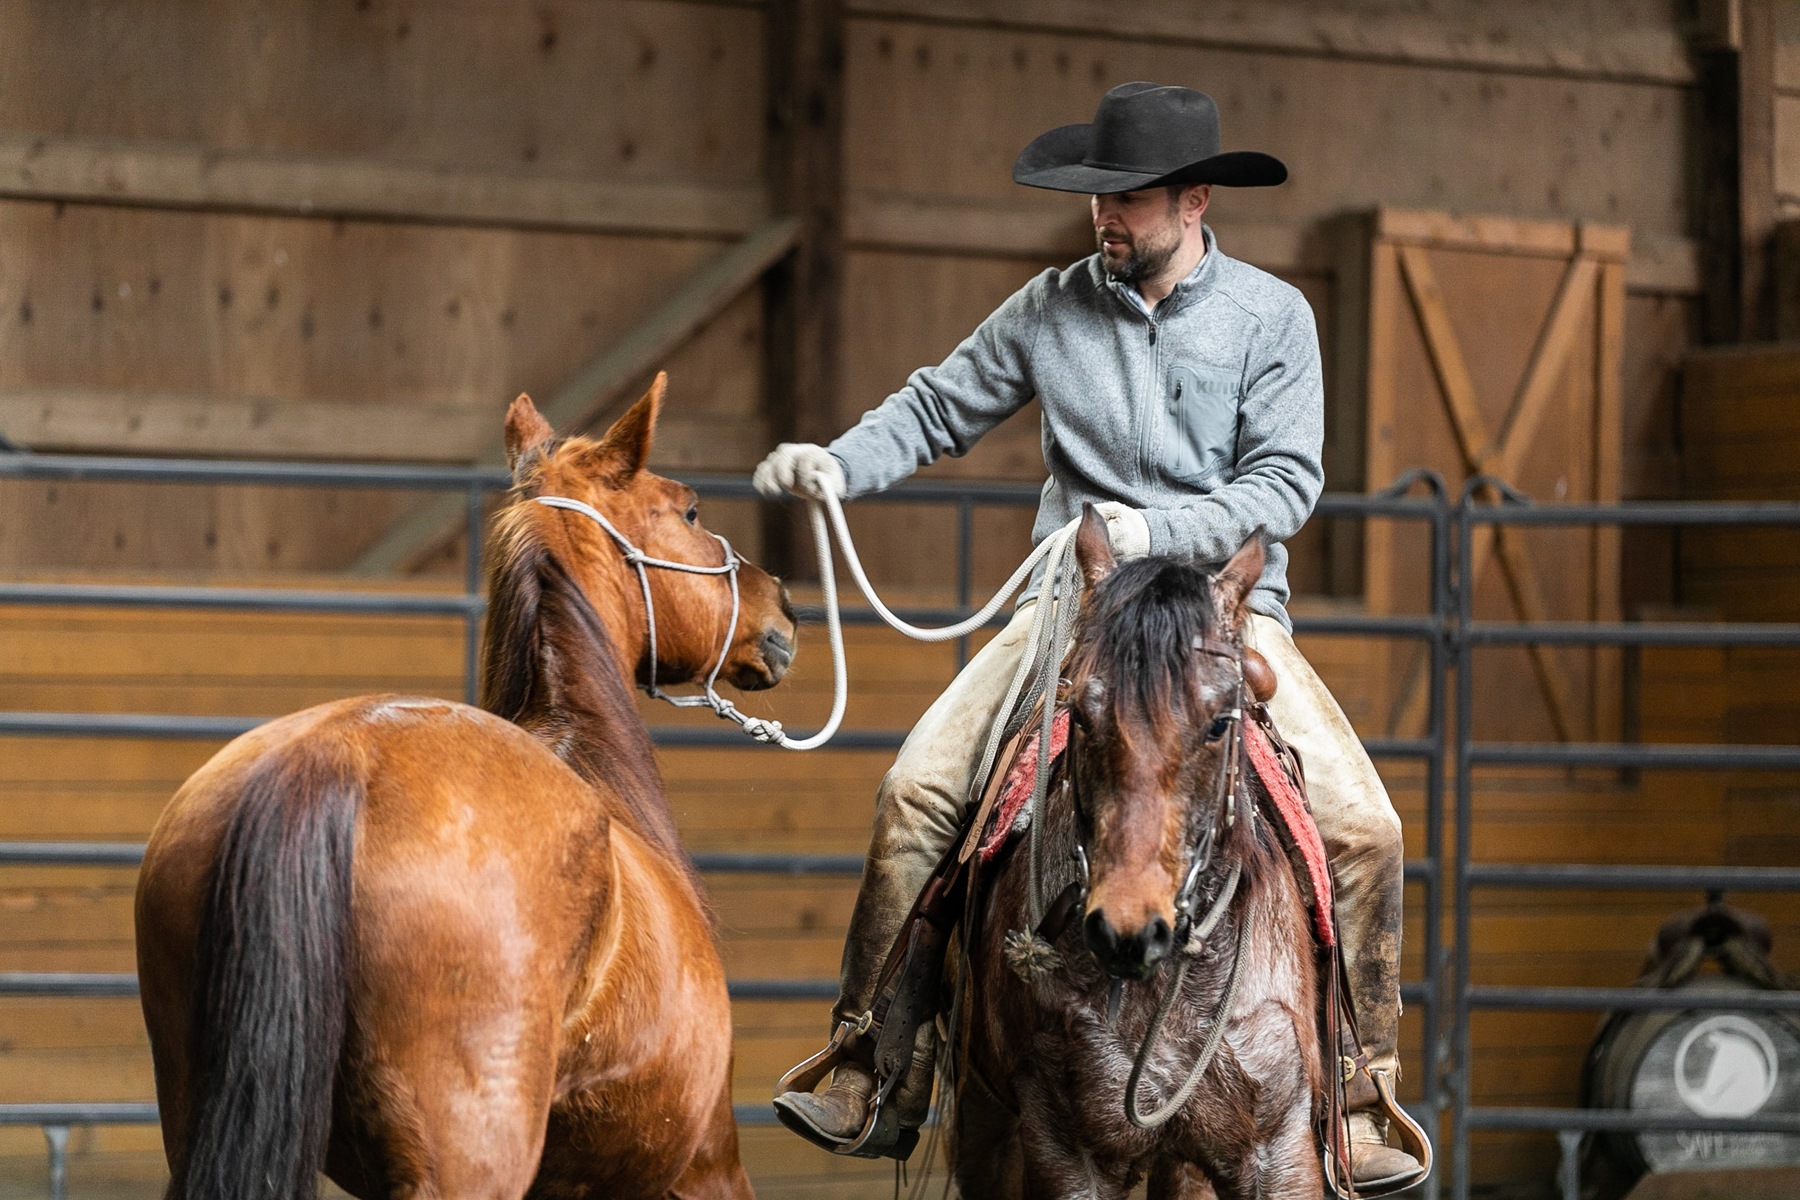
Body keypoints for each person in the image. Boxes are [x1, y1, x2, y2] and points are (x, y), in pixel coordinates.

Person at [756, 82, 1425, 1192]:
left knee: (1366, 828)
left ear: (1197, 200)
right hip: (1073, 617)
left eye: (1129, 201)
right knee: (917, 792)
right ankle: (875, 1062)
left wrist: (1152, 526)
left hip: (1217, 621)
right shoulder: (1051, 307)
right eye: (1097, 202)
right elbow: (934, 407)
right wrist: (839, 463)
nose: (1105, 221)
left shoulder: (1274, 319)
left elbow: (1286, 484)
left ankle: (1358, 1091)